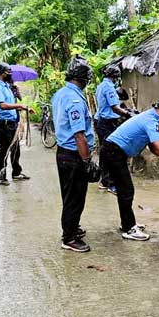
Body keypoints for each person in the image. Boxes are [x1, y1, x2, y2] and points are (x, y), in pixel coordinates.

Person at [102, 96, 159, 241]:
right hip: (114, 152)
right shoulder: (152, 120)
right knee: (126, 190)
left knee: (124, 190)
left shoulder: (150, 117)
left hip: (113, 151)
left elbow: (153, 147)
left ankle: (128, 223)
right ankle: (129, 228)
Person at [51, 55, 100, 252]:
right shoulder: (75, 100)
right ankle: (69, 237)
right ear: (83, 78)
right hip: (73, 154)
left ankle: (72, 227)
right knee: (76, 196)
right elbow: (79, 134)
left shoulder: (61, 93)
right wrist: (87, 160)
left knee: (69, 194)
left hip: (64, 152)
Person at [0, 62, 35, 185]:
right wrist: (20, 105)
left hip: (12, 122)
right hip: (5, 124)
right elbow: (3, 105)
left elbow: (14, 101)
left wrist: (24, 107)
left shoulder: (7, 86)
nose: (10, 74)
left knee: (15, 148)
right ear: (1, 73)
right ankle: (2, 175)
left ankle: (16, 173)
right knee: (5, 149)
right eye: (8, 72)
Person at [93, 64, 132, 193]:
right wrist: (128, 113)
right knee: (110, 153)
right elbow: (115, 107)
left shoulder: (100, 86)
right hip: (107, 123)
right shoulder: (109, 87)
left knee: (104, 152)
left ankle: (104, 181)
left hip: (101, 121)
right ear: (115, 76)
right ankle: (109, 183)